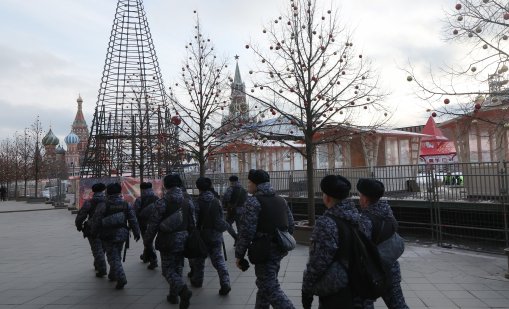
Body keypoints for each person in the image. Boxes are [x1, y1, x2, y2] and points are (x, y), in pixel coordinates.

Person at [302, 175, 366, 309]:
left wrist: (306, 290)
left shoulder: (326, 223)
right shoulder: (359, 219)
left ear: (327, 197)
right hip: (360, 285)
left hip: (336, 290)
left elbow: (318, 262)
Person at [235, 169, 295, 309]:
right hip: (279, 249)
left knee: (269, 287)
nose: (248, 185)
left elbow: (246, 231)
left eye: (249, 182)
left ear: (255, 184)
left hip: (263, 251)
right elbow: (290, 225)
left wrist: (239, 255)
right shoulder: (281, 200)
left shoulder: (253, 202)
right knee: (265, 285)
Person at [356, 178, 408, 309]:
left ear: (366, 199)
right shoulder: (387, 212)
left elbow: (361, 249)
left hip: (371, 275)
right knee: (398, 305)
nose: (359, 198)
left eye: (360, 195)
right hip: (391, 268)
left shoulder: (365, 220)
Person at [144, 174, 193, 308]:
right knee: (178, 267)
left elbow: (153, 224)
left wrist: (147, 242)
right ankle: (173, 296)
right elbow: (192, 222)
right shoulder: (187, 201)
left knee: (167, 270)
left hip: (168, 240)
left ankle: (182, 290)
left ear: (165, 185)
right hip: (184, 239)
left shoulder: (162, 202)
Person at [89, 182, 141, 289]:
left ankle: (121, 277)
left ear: (108, 192)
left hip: (108, 235)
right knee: (116, 254)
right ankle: (113, 275)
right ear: (119, 192)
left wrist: (93, 233)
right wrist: (136, 232)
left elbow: (96, 220)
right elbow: (133, 219)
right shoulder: (125, 204)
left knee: (112, 257)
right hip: (122, 234)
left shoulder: (103, 205)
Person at [190, 177, 231, 295]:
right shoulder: (216, 200)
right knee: (218, 260)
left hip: (201, 236)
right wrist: (224, 227)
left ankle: (198, 281)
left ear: (198, 188)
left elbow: (194, 221)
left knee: (199, 259)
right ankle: (225, 282)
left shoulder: (196, 202)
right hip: (215, 235)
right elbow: (220, 220)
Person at [75, 182, 107, 277]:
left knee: (97, 249)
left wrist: (79, 226)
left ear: (93, 191)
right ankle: (98, 263)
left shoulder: (89, 202)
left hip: (93, 228)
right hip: (107, 228)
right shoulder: (108, 201)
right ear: (103, 190)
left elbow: (81, 215)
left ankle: (101, 268)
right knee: (103, 248)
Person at [133, 181, 159, 269]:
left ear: (142, 190)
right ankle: (145, 256)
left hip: (144, 224)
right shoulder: (157, 198)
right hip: (156, 224)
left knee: (148, 242)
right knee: (148, 241)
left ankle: (153, 260)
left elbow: (134, 213)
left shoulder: (140, 199)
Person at [222, 175, 248, 243]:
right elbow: (246, 200)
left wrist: (224, 205)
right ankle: (239, 241)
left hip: (232, 210)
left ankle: (236, 237)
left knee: (227, 224)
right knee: (240, 227)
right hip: (242, 210)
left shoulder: (230, 189)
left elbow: (226, 198)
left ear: (231, 181)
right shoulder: (243, 189)